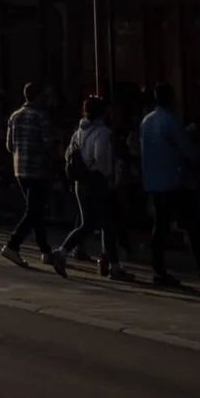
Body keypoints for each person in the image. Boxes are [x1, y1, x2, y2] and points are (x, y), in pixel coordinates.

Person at [53, 97, 132, 281]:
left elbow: (67, 154)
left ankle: (113, 266)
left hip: (80, 182)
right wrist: (104, 171)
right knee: (92, 224)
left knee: (106, 223)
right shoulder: (102, 132)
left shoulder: (78, 132)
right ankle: (62, 252)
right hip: (96, 181)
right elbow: (101, 156)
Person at [139, 81, 200, 287]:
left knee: (160, 227)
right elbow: (189, 152)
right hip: (175, 181)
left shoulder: (146, 121)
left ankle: (158, 269)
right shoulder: (170, 121)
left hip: (154, 181)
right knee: (192, 227)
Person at [1, 82, 67, 275]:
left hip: (19, 169)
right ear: (37, 97)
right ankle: (13, 244)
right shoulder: (41, 117)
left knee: (35, 210)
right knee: (34, 209)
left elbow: (9, 145)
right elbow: (48, 144)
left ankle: (45, 250)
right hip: (38, 169)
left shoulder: (15, 116)